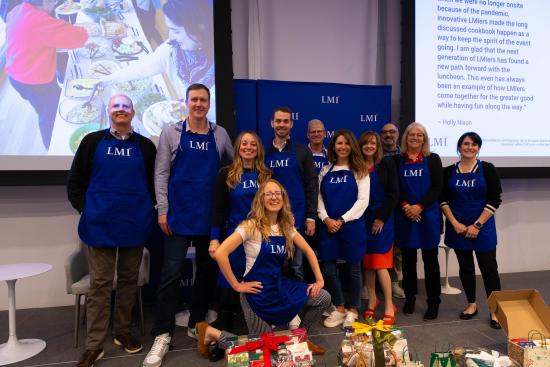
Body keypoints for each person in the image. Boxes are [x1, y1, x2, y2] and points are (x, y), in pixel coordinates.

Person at [143, 83, 233, 367]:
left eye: (203, 100)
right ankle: (163, 333)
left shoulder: (220, 134)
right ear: (186, 102)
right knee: (170, 274)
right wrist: (163, 210)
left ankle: (196, 321)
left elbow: (232, 169)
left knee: (206, 272)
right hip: (178, 216)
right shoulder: (171, 133)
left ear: (209, 103)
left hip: (209, 218)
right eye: (194, 99)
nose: (198, 104)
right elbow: (161, 173)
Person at [67, 94, 157, 367]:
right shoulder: (92, 141)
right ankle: (94, 345)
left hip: (134, 225)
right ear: (108, 111)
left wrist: (147, 209)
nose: (121, 110)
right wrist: (88, 209)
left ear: (133, 113)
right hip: (100, 226)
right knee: (100, 286)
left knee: (129, 282)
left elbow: (156, 182)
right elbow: (76, 181)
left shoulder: (145, 146)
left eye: (125, 106)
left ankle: (122, 332)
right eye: (116, 106)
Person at [196, 179, 330, 360]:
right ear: (261, 199)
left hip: (279, 286)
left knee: (323, 297)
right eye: (269, 194)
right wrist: (236, 285)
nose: (274, 197)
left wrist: (319, 280)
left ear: (283, 198)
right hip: (257, 293)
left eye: (277, 193)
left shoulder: (285, 226)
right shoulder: (250, 226)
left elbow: (308, 250)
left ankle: (302, 339)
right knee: (262, 350)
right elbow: (220, 253)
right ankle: (211, 333)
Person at [101, 0, 216, 120]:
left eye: (176, 31)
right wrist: (107, 80)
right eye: (169, 29)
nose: (171, 36)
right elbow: (144, 67)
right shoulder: (173, 48)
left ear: (200, 28)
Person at [208, 130, 272, 331]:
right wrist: (214, 239)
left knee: (258, 285)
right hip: (235, 240)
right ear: (238, 148)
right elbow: (217, 208)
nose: (248, 147)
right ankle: (222, 335)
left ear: (258, 149)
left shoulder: (266, 175)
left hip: (261, 239)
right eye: (244, 143)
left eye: (253, 144)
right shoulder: (226, 174)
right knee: (229, 288)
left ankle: (258, 329)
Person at [440, 132, 503, 329]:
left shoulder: (487, 169)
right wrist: (455, 223)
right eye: (466, 144)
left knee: (489, 269)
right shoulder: (448, 171)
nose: (470, 147)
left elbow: (495, 199)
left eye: (474, 144)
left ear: (479, 148)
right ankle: (471, 304)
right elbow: (442, 199)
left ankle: (496, 311)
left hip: (482, 228)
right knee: (465, 268)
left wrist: (477, 225)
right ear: (459, 147)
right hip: (457, 227)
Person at [5, 0, 88, 150]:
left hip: (16, 74)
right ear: (44, 2)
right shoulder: (39, 21)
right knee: (49, 115)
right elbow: (79, 37)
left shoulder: (19, 10)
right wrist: (86, 29)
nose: (55, 2)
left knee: (46, 108)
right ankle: (53, 149)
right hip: (32, 80)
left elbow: (32, 39)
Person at [319, 130, 370, 329]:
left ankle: (353, 309)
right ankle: (339, 307)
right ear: (333, 147)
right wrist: (325, 219)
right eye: (338, 143)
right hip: (328, 227)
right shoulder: (325, 170)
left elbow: (363, 201)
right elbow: (319, 199)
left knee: (354, 269)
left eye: (346, 143)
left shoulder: (360, 170)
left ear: (352, 146)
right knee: (329, 269)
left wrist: (341, 219)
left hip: (351, 226)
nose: (342, 147)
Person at [393, 122, 443, 321]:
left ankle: (434, 301)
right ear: (406, 138)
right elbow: (395, 188)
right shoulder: (397, 160)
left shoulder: (433, 159)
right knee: (408, 261)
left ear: (424, 139)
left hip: (427, 215)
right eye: (411, 134)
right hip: (405, 216)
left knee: (431, 261)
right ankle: (411, 297)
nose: (415, 138)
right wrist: (406, 206)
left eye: (419, 135)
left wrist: (419, 207)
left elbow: (437, 187)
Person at [265, 106, 318, 281]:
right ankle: (276, 305)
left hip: (298, 216)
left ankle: (299, 306)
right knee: (274, 265)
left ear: (291, 124)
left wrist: (311, 216)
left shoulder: (302, 151)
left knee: (296, 267)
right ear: (272, 123)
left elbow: (312, 185)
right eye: (278, 121)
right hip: (271, 218)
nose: (282, 124)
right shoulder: (264, 152)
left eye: (285, 121)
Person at [359, 131, 399, 325]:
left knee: (381, 263)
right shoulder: (356, 166)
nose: (369, 146)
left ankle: (390, 304)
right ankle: (373, 299)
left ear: (378, 146)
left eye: (373, 143)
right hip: (363, 219)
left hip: (382, 219)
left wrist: (381, 218)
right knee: (367, 264)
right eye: (366, 143)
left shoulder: (387, 164)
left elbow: (393, 194)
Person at [379, 122, 405, 299]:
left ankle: (395, 282)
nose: (388, 135)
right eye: (385, 132)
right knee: (377, 246)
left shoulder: (404, 155)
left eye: (392, 132)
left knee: (397, 249)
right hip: (381, 206)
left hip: (402, 207)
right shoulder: (376, 155)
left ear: (398, 134)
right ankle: (370, 283)